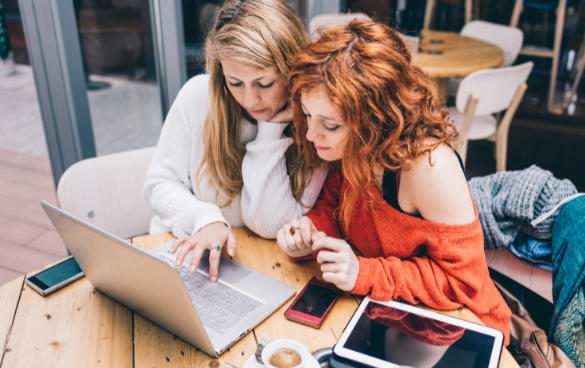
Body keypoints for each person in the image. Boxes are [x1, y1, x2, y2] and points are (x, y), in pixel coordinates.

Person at [276, 19, 511, 344]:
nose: (311, 134)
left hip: (460, 330)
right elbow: (334, 206)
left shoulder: (428, 167)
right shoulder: (353, 144)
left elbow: (463, 283)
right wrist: (310, 232)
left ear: (375, 120)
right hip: (390, 314)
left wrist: (363, 273)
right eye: (307, 114)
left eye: (329, 125)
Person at [143, 0, 327, 283]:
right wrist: (204, 217)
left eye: (264, 84)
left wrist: (270, 130)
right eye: (235, 82)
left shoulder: (317, 127)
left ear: (293, 71)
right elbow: (158, 185)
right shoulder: (197, 96)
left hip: (258, 267)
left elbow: (273, 226)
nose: (250, 100)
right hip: (181, 252)